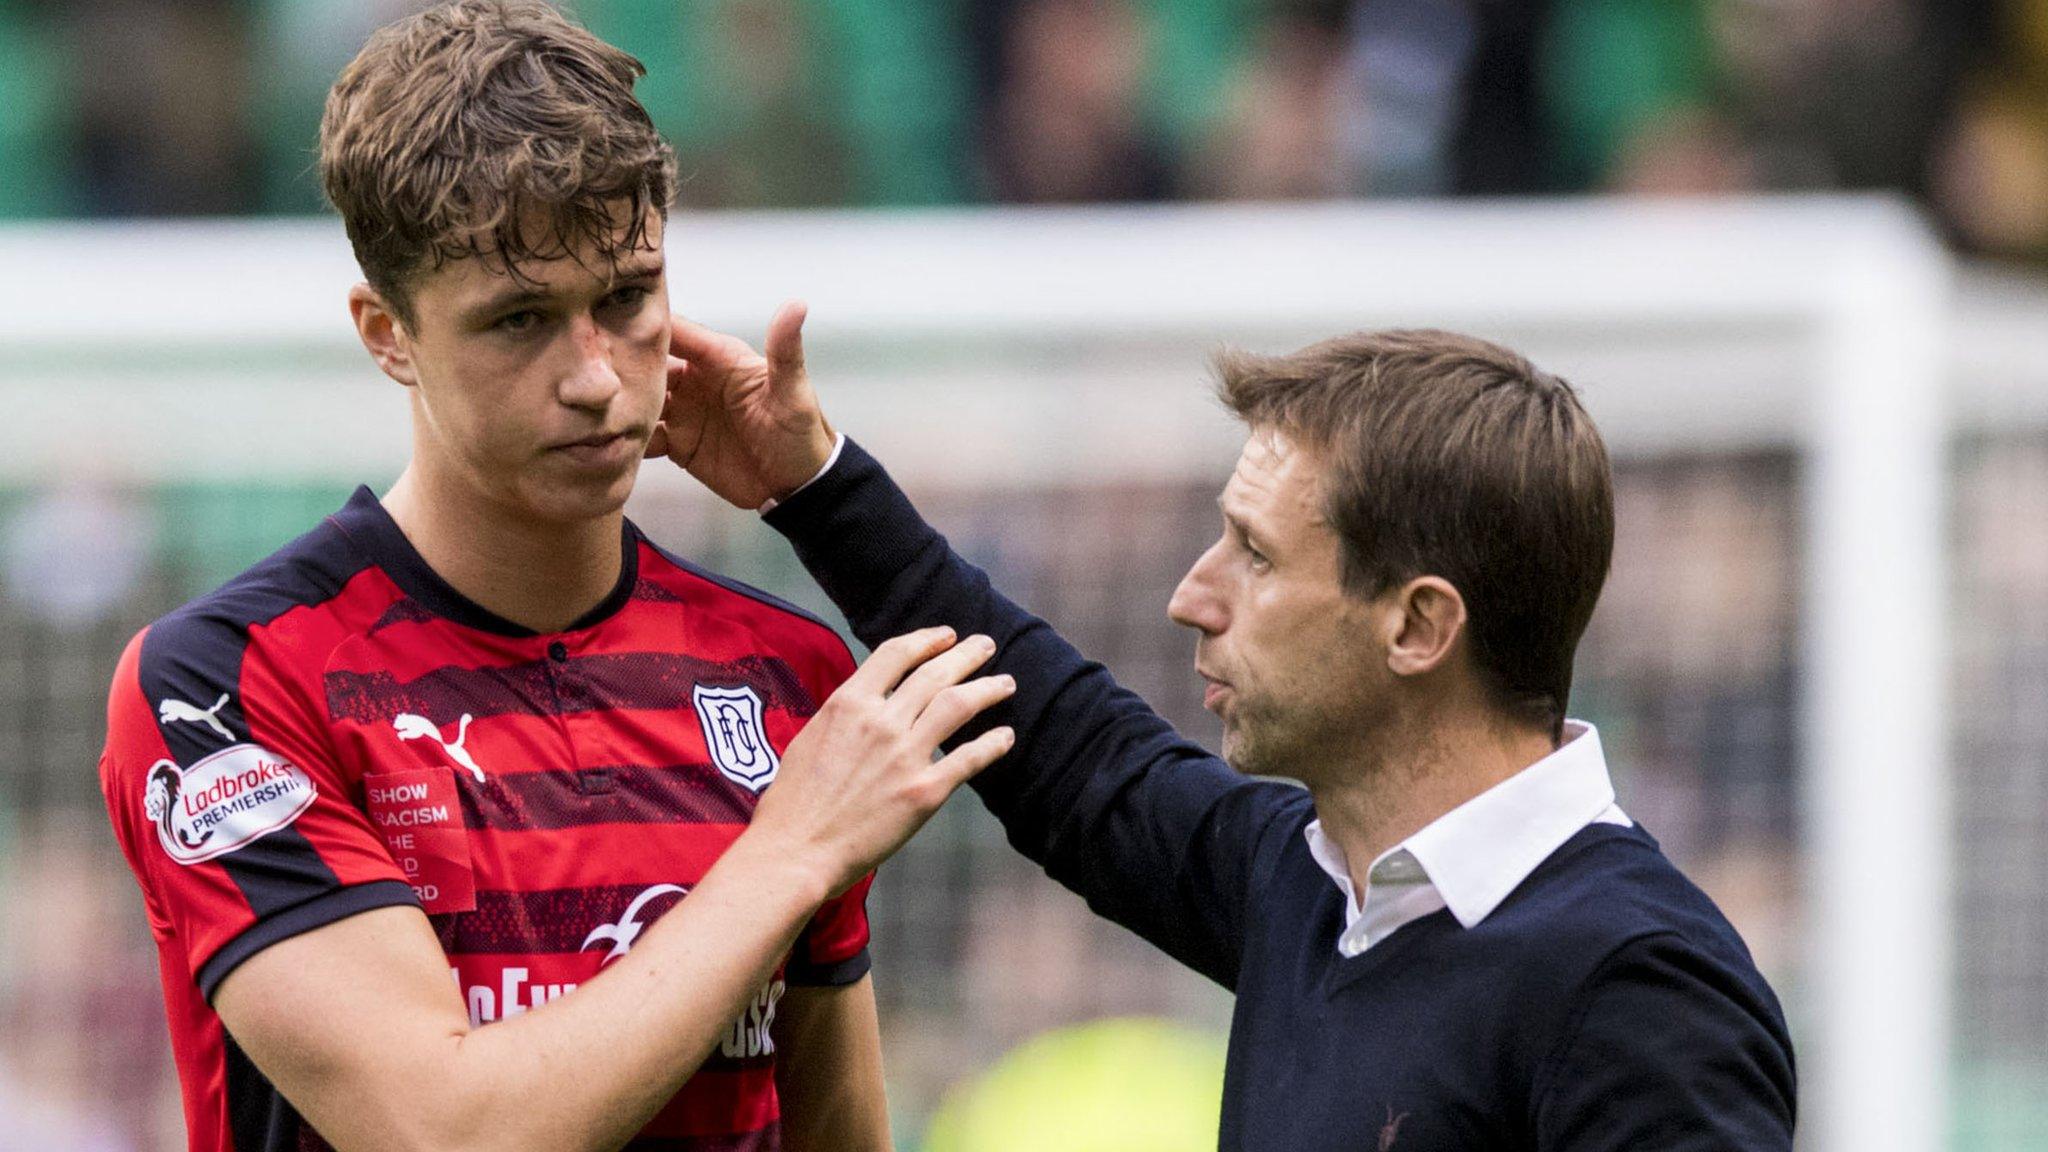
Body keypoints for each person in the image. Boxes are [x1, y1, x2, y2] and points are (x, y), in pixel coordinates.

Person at [95, 4, 1016, 1151]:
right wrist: (788, 850)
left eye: (625, 298)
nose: (593, 377)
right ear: (387, 333)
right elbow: (442, 1133)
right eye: (520, 319)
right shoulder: (225, 687)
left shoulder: (781, 675)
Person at [658, 316, 1799, 1149]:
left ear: (1415, 626)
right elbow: (1074, 754)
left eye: (1254, 555)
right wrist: (811, 482)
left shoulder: (1636, 985)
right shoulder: (1313, 888)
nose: (1190, 596)